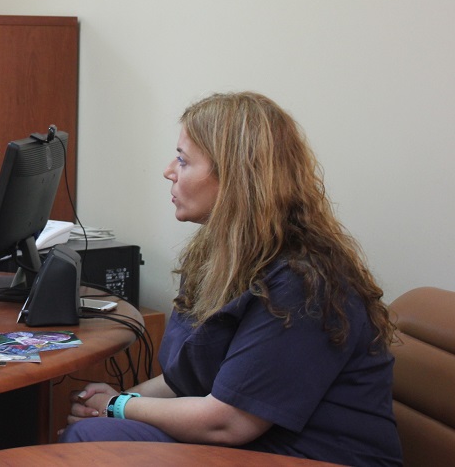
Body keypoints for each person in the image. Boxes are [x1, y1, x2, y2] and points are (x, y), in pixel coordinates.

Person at [61, 91, 401, 467]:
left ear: (235, 177)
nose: (168, 171)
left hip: (312, 455)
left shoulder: (302, 284)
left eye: (182, 160)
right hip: (250, 440)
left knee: (92, 441)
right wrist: (120, 400)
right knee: (92, 434)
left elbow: (228, 423)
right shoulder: (220, 257)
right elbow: (186, 378)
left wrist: (118, 405)